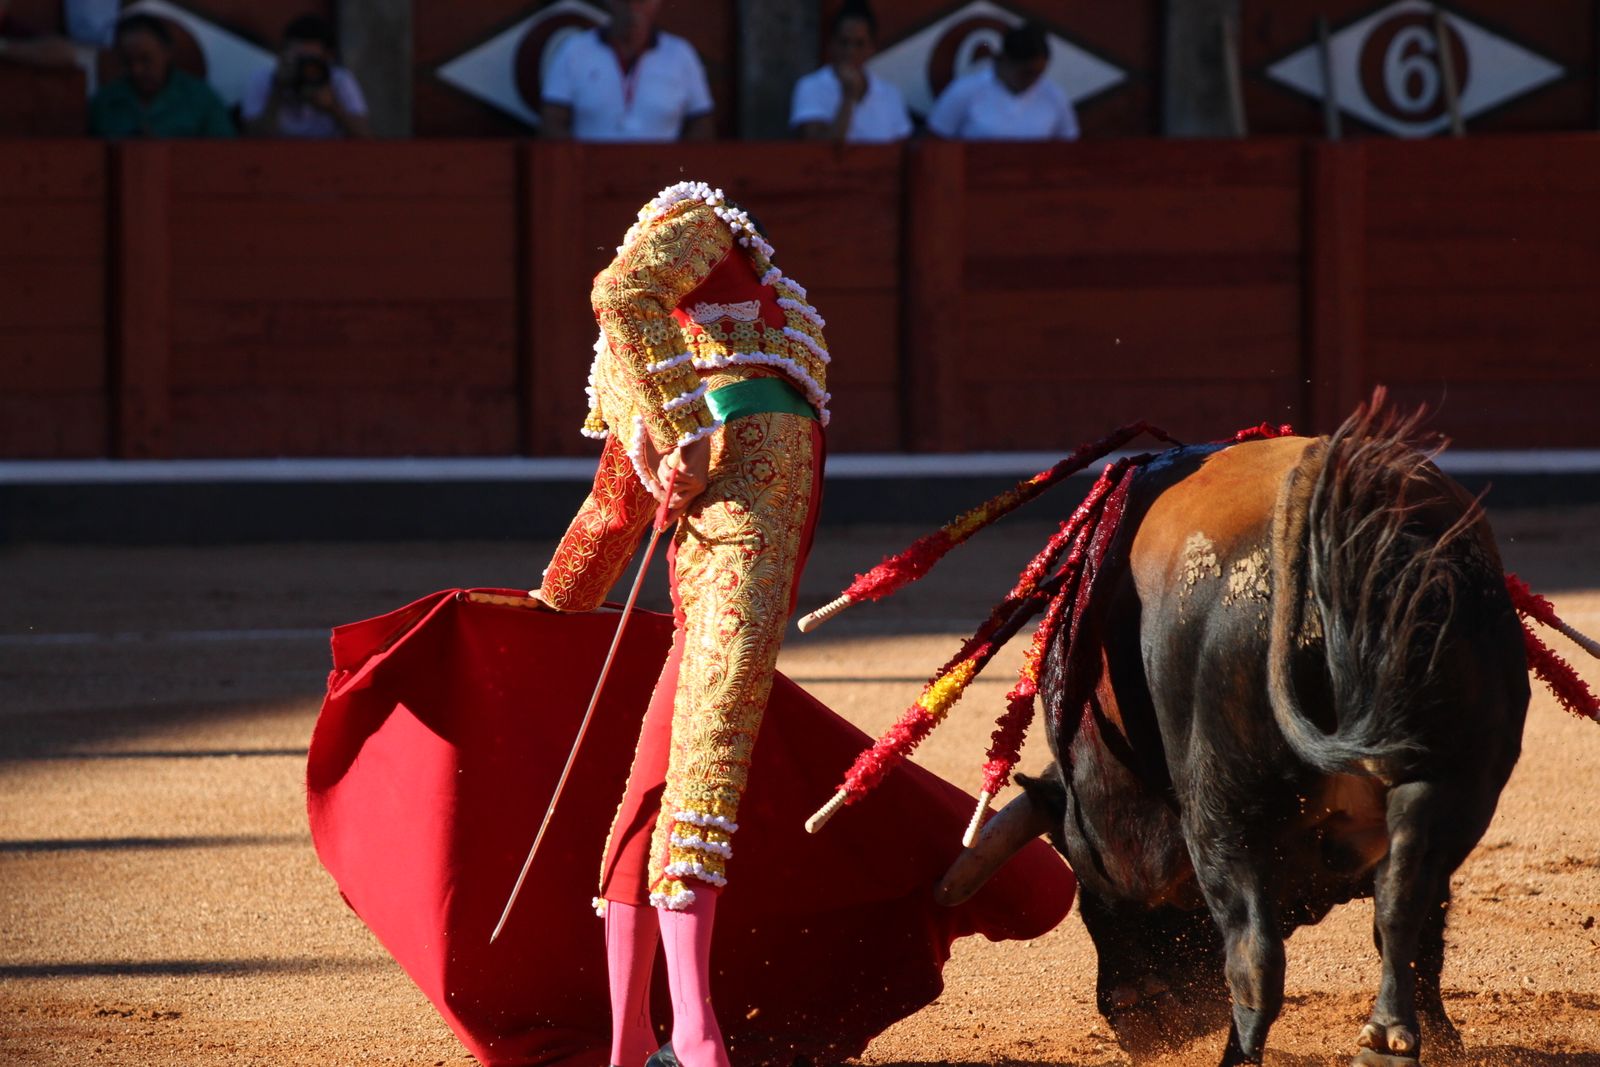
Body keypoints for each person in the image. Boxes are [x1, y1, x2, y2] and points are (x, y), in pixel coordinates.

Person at [533, 181, 831, 1067]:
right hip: (743, 516)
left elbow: (619, 502)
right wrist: (689, 427)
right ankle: (697, 1041)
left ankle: (631, 1048)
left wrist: (558, 601)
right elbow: (622, 295)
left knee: (661, 771)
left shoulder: (661, 341)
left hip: (725, 526)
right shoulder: (693, 222)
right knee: (706, 753)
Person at [539, 0, 713, 142]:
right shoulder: (575, 50)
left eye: (641, 2)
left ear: (656, 3)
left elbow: (701, 122)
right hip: (590, 174)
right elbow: (552, 120)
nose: (633, 10)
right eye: (626, 2)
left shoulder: (680, 54)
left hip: (663, 176)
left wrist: (681, 166)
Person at [926, 21, 1079, 141]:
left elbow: (1068, 147)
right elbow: (934, 145)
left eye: (1039, 74)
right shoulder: (964, 91)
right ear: (1003, 61)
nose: (1034, 80)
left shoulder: (1054, 96)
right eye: (1026, 73)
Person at [87, 14, 234, 138]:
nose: (136, 70)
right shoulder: (104, 103)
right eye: (128, 62)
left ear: (166, 52)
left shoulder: (202, 100)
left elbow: (226, 155)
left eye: (146, 60)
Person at [789, 0, 911, 143]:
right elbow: (819, 151)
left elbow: (901, 151)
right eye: (844, 42)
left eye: (859, 44)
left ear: (871, 48)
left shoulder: (891, 95)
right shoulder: (810, 87)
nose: (850, 52)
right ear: (832, 43)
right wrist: (848, 97)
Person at [242, 14, 371, 139]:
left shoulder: (340, 80)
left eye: (312, 61)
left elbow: (365, 137)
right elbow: (253, 138)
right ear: (282, 55)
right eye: (299, 60)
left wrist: (333, 108)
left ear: (328, 57)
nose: (305, 69)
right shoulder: (264, 79)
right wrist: (278, 90)